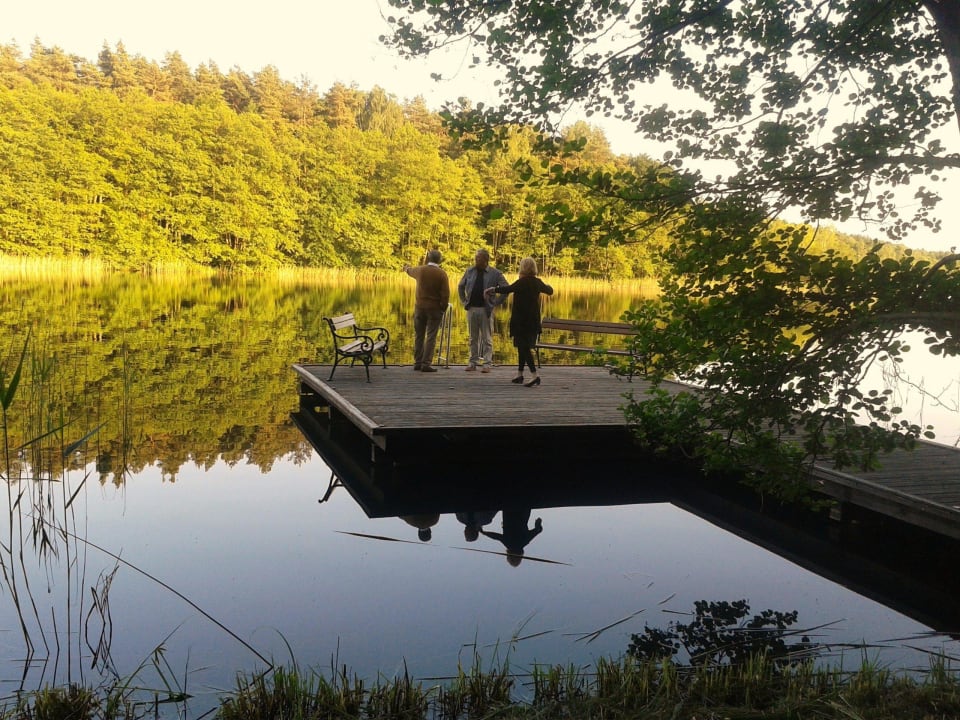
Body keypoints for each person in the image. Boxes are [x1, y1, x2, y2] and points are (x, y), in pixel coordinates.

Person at [486, 257, 554, 387]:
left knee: (524, 348)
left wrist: (492, 290)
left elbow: (507, 289)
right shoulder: (537, 282)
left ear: (522, 268)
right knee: (523, 347)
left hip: (521, 320)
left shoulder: (521, 282)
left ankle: (534, 375)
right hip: (533, 321)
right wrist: (547, 285)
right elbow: (550, 291)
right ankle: (520, 374)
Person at [457, 248, 506, 372]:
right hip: (471, 309)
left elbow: (506, 288)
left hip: (486, 310)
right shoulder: (470, 271)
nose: (475, 260)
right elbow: (460, 286)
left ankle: (487, 364)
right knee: (473, 338)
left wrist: (495, 302)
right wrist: (464, 301)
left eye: (478, 258)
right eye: (475, 258)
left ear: (485, 260)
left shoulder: (495, 273)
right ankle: (472, 362)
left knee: (487, 338)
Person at [403, 249, 450, 373]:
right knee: (431, 336)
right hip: (434, 309)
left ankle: (417, 362)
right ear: (439, 260)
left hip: (420, 308)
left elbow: (410, 271)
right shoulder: (442, 274)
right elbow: (445, 295)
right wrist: (443, 308)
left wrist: (406, 268)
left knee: (419, 335)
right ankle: (426, 363)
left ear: (429, 258)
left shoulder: (420, 270)